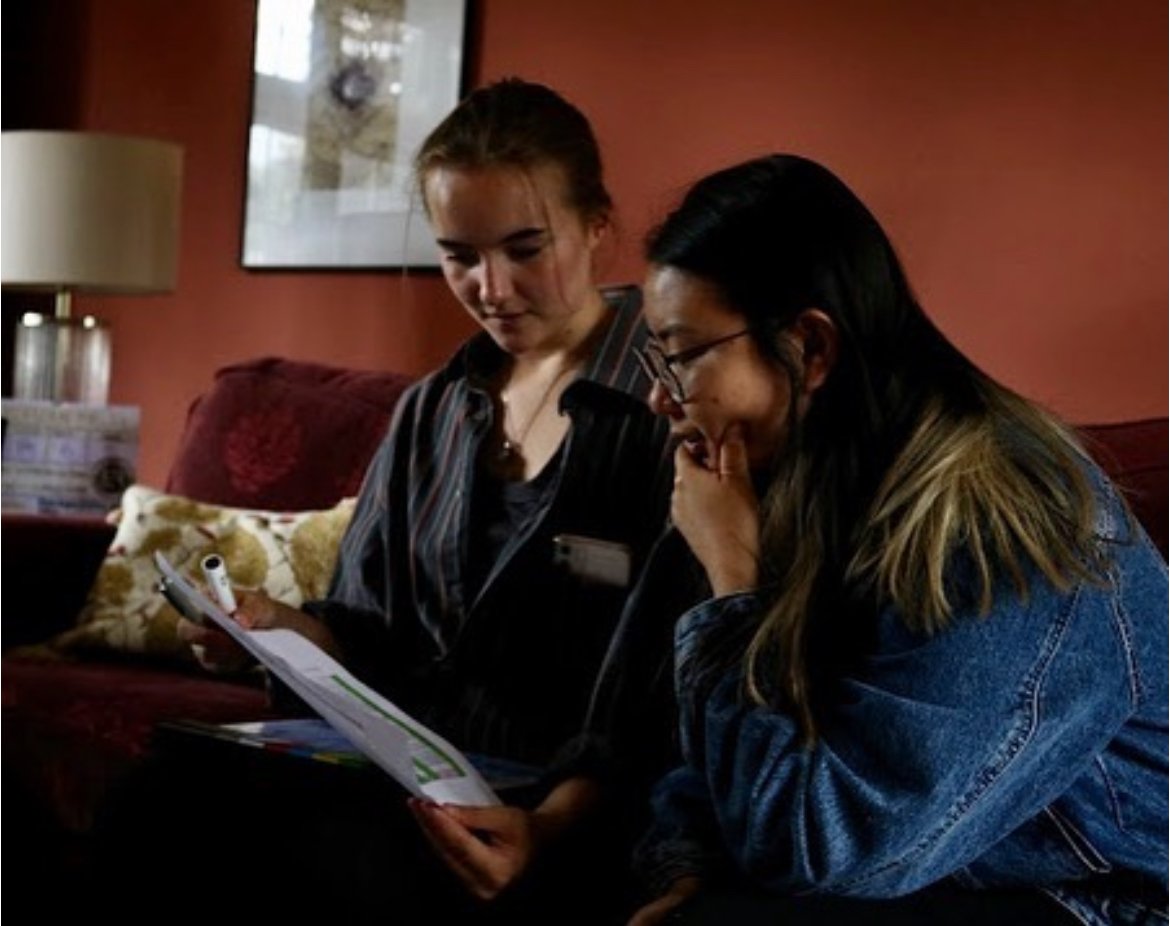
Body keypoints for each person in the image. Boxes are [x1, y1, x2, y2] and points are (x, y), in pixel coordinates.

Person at [160, 78, 701, 924]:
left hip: (567, 808)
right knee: (163, 802)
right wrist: (274, 631)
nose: (492, 287)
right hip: (409, 779)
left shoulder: (669, 407)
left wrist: (549, 829)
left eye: (525, 249)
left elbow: (668, 691)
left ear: (598, 226)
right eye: (460, 256)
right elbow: (368, 631)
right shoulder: (431, 412)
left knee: (331, 870)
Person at [625, 154, 1168, 925]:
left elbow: (824, 846)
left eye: (681, 357)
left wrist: (733, 582)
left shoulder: (1004, 519)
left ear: (810, 349)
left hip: (1096, 896)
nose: (659, 396)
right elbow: (709, 759)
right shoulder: (790, 474)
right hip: (919, 864)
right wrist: (683, 867)